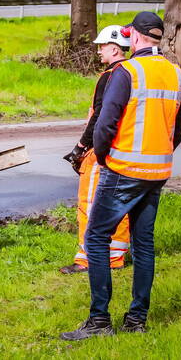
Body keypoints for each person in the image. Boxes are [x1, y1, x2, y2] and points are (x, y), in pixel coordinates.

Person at [61, 11, 181, 340]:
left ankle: (99, 321)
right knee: (144, 245)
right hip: (157, 171)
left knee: (96, 239)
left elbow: (105, 123)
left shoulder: (127, 71)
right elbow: (179, 131)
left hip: (123, 170)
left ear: (136, 37)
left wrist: (103, 157)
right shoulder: (176, 74)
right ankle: (136, 321)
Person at [59, 25, 131, 275]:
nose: (99, 51)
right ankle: (116, 257)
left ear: (114, 48)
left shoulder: (110, 76)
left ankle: (88, 260)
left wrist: (81, 147)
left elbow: (100, 116)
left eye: (102, 46)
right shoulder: (134, 73)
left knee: (90, 204)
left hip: (101, 150)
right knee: (118, 204)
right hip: (123, 150)